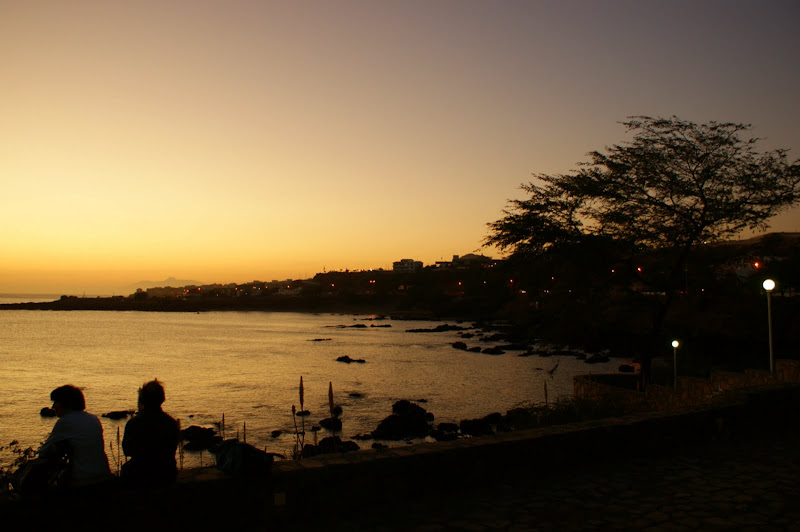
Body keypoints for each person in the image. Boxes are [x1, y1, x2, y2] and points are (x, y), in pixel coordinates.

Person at [38, 385, 112, 489]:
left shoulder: (65, 421)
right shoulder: (93, 419)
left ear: (65, 403)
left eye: (56, 402)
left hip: (83, 480)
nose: (53, 406)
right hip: (103, 474)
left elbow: (43, 452)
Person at [121, 379, 181, 488]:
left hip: (140, 475)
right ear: (162, 399)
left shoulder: (134, 423)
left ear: (142, 400)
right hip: (166, 474)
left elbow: (127, 450)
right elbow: (172, 447)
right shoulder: (171, 423)